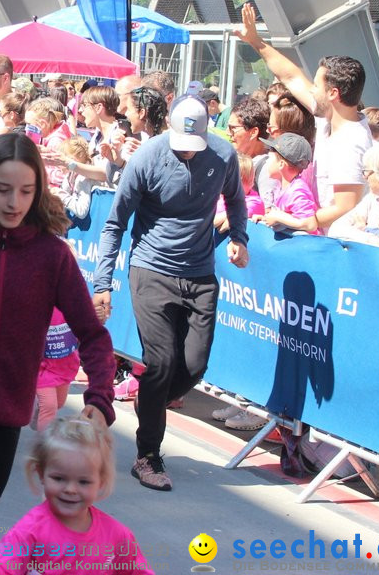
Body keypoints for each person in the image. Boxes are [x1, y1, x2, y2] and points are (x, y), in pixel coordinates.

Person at [0, 133, 116, 556]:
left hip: (8, 414)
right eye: (2, 189)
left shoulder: (52, 256)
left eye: (25, 191)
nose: (14, 202)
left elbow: (93, 334)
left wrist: (101, 398)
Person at [93, 95, 249, 492]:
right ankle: (147, 456)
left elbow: (235, 198)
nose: (188, 154)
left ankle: (151, 399)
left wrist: (240, 237)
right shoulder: (147, 157)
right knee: (159, 363)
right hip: (152, 270)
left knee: (193, 367)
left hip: (200, 274)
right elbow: (115, 223)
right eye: (181, 145)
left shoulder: (224, 155)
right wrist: (102, 284)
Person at [234, 2, 371, 232]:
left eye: (317, 85)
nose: (312, 90)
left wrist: (302, 222)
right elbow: (292, 77)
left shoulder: (352, 140)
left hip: (334, 245)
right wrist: (255, 41)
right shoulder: (328, 117)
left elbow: (346, 204)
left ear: (333, 93)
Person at [0, 419, 153, 574]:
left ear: (100, 482)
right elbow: (2, 569)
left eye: (83, 482)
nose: (70, 489)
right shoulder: (29, 532)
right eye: (59, 478)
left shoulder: (117, 536)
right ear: (41, 474)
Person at [253, 133, 318, 234]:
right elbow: (289, 219)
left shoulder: (297, 190)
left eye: (269, 159)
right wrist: (265, 219)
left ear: (281, 164)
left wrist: (278, 217)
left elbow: (310, 224)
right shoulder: (282, 187)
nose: (266, 163)